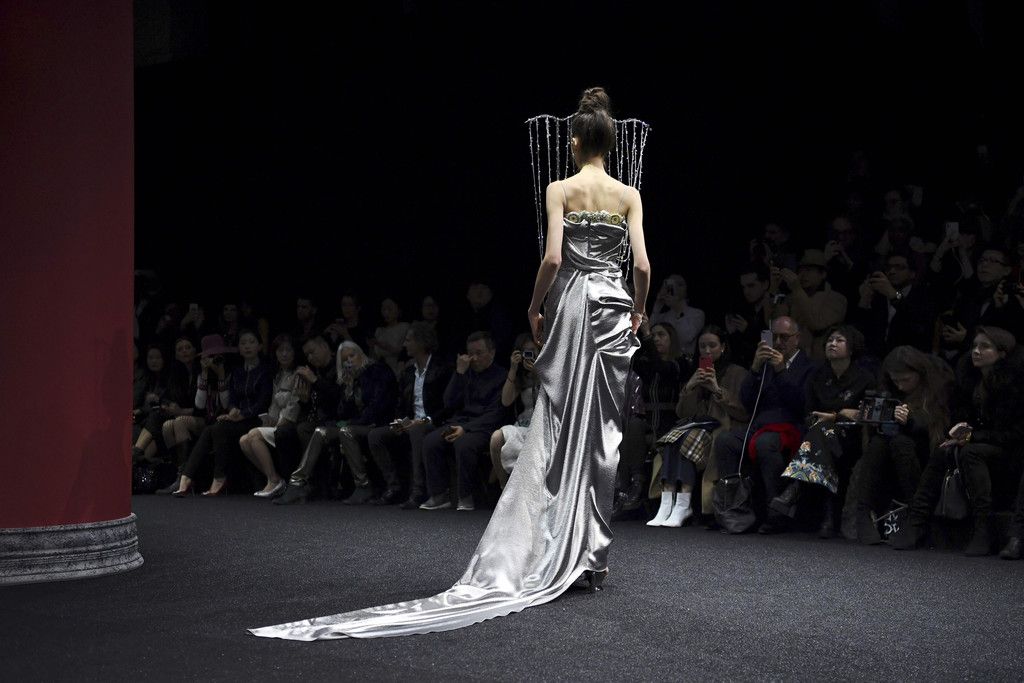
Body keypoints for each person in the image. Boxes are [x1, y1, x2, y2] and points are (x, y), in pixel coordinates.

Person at [250, 86, 650, 640]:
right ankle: (591, 558)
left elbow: (554, 257)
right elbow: (642, 266)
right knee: (599, 436)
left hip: (573, 307)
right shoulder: (628, 194)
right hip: (611, 312)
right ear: (611, 141)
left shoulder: (561, 187)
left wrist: (535, 307)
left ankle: (552, 546)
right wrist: (638, 311)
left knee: (560, 429)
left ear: (576, 141)